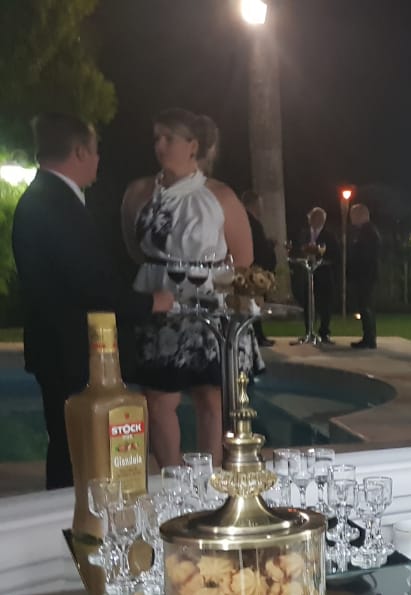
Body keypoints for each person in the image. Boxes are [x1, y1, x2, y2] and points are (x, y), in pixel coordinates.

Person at [12, 113, 172, 489]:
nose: (99, 159)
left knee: (70, 446)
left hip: (56, 347)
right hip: (73, 351)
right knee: (79, 452)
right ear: (80, 152)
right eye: (96, 150)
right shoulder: (58, 205)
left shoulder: (42, 199)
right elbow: (91, 285)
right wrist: (151, 303)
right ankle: (78, 519)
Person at [121, 108, 254, 468]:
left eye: (169, 138)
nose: (160, 145)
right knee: (158, 397)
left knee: (211, 397)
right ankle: (172, 479)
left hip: (208, 303)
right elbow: (134, 248)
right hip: (157, 299)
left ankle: (210, 482)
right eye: (157, 138)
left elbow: (243, 259)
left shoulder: (220, 196)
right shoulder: (139, 193)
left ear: (193, 145)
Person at [291, 207, 336, 342]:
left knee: (325, 305)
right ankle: (308, 331)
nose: (311, 220)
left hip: (324, 274)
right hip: (308, 274)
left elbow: (335, 254)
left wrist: (320, 257)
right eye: (310, 218)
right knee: (308, 304)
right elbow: (296, 249)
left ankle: (324, 332)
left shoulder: (329, 235)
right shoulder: (304, 234)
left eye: (315, 218)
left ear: (322, 219)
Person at [240, 190, 277, 347]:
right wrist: (269, 245)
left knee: (254, 305)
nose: (262, 208)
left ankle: (258, 335)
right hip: (255, 270)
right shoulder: (251, 222)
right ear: (254, 204)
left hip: (255, 269)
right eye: (260, 204)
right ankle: (257, 336)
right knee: (254, 304)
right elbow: (257, 247)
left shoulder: (247, 221)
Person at [348, 203, 381, 349]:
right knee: (365, 306)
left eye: (353, 215)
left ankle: (369, 338)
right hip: (364, 275)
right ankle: (368, 337)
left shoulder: (368, 232)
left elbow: (366, 255)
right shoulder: (365, 231)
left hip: (365, 275)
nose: (351, 218)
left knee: (366, 306)